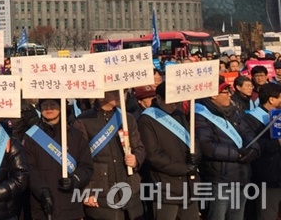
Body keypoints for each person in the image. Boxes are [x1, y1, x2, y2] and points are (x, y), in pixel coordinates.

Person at [73, 90, 146, 220]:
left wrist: (136, 159)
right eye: (113, 92)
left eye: (120, 91)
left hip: (129, 186)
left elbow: (139, 148)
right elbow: (79, 160)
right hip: (101, 190)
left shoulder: (126, 118)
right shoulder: (83, 121)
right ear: (101, 95)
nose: (119, 95)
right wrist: (86, 190)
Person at [195, 81, 260, 220]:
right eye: (226, 92)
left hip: (241, 176)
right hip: (219, 179)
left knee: (237, 216)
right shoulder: (200, 114)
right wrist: (238, 154)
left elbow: (248, 133)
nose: (230, 96)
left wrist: (253, 150)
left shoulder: (234, 112)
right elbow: (207, 146)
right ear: (213, 95)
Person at [23, 98, 93, 220]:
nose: (49, 108)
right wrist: (42, 191)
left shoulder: (75, 135)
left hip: (71, 205)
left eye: (53, 104)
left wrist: (75, 180)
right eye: (45, 105)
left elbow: (86, 166)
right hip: (42, 206)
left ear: (61, 107)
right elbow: (29, 169)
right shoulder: (31, 137)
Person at [137, 82, 200, 220]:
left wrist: (196, 155)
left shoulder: (179, 113)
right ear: (158, 98)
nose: (174, 105)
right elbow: (153, 155)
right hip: (166, 186)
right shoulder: (147, 119)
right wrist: (183, 168)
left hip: (189, 185)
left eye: (176, 101)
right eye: (170, 101)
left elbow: (192, 139)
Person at [240, 83, 281, 220]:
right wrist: (276, 142)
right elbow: (253, 145)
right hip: (267, 178)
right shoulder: (250, 119)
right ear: (272, 99)